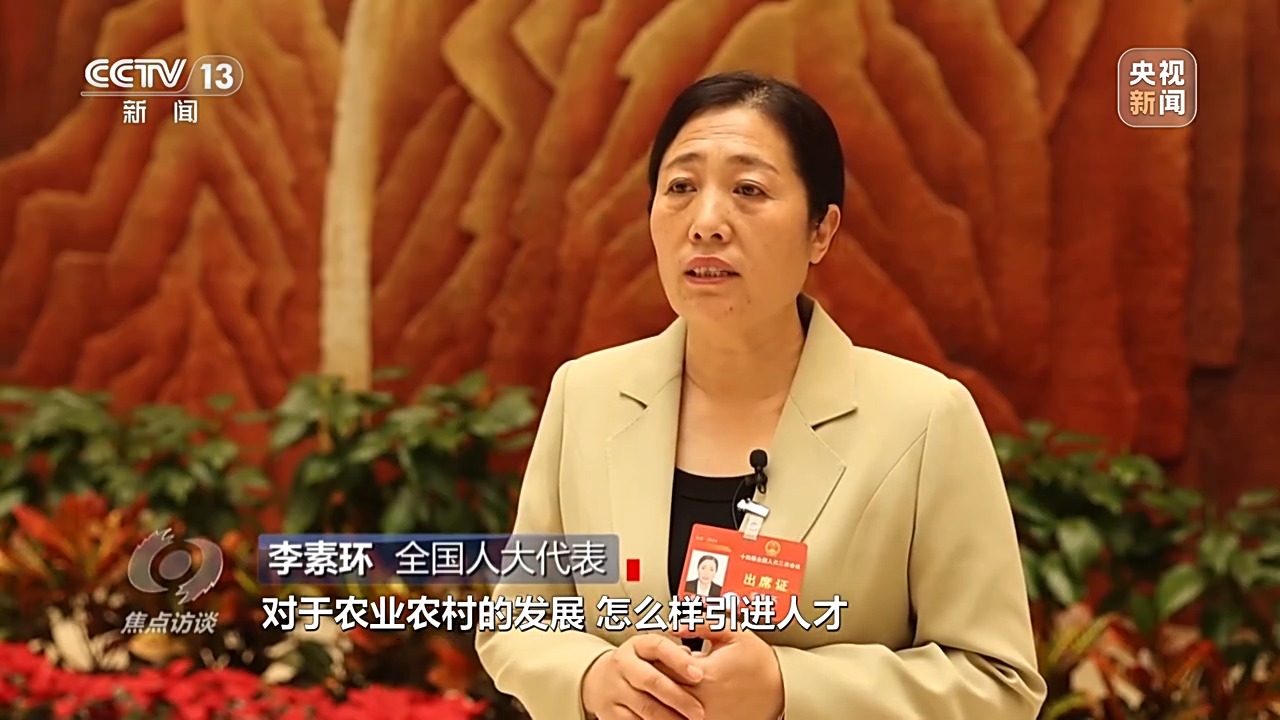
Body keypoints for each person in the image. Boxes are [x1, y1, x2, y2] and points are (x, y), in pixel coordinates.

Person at [475, 70, 1046, 720]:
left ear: (820, 230)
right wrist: (591, 678)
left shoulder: (924, 419)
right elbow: (518, 624)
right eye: (681, 187)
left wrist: (786, 688)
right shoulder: (587, 394)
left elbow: (998, 684)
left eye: (748, 190)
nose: (706, 223)